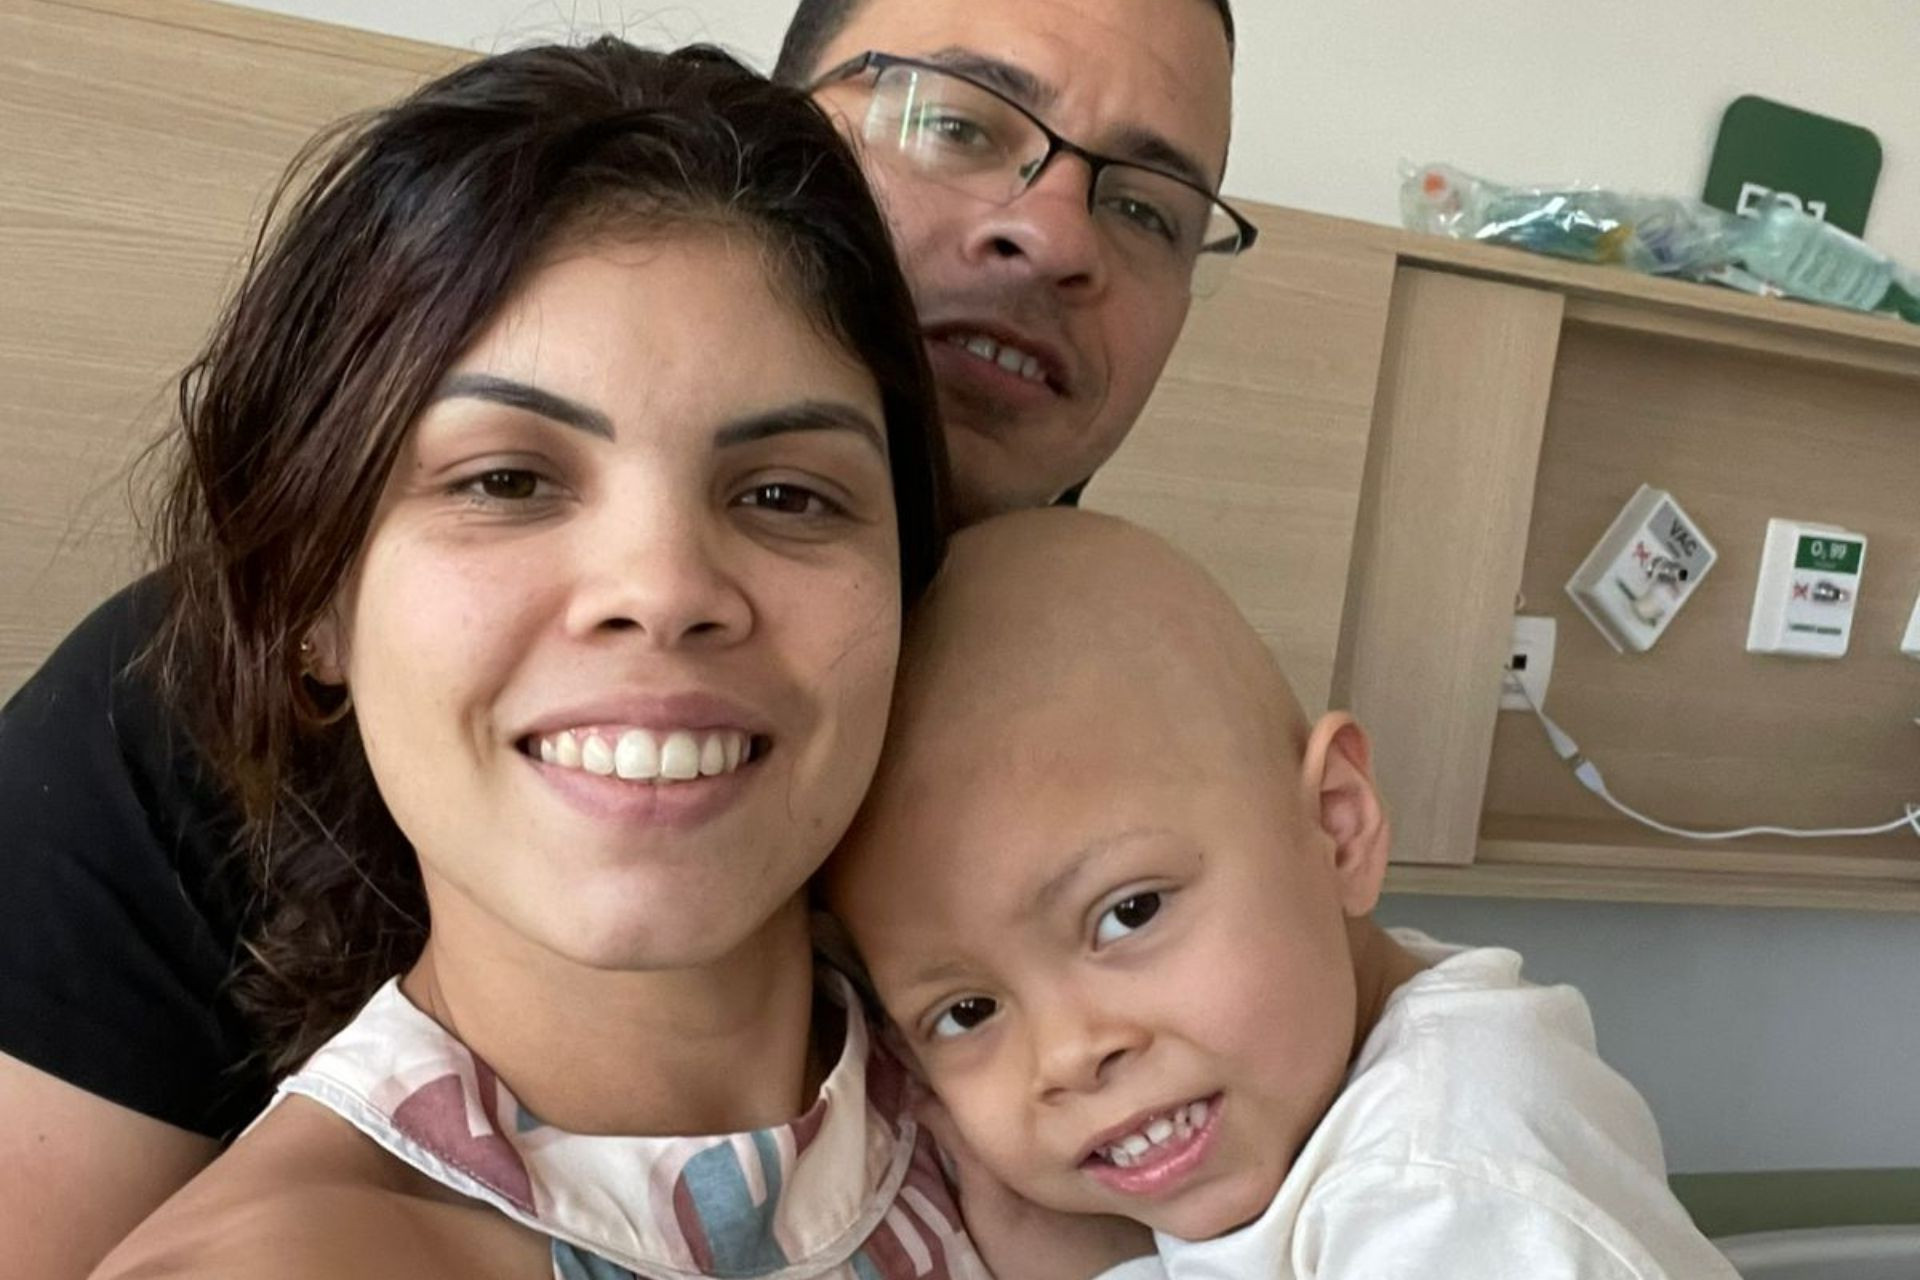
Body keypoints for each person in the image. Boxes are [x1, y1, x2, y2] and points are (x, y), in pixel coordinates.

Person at [0, 0, 1248, 1272]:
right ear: (304, 602)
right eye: (505, 480)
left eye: (788, 495)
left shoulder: (1067, 1119)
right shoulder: (291, 1228)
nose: (663, 588)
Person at [827, 508, 1740, 1280]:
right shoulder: (1344, 1073)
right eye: (968, 1012)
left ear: (1338, 826)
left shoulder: (1445, 1202)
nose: (1067, 1056)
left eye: (1130, 913)